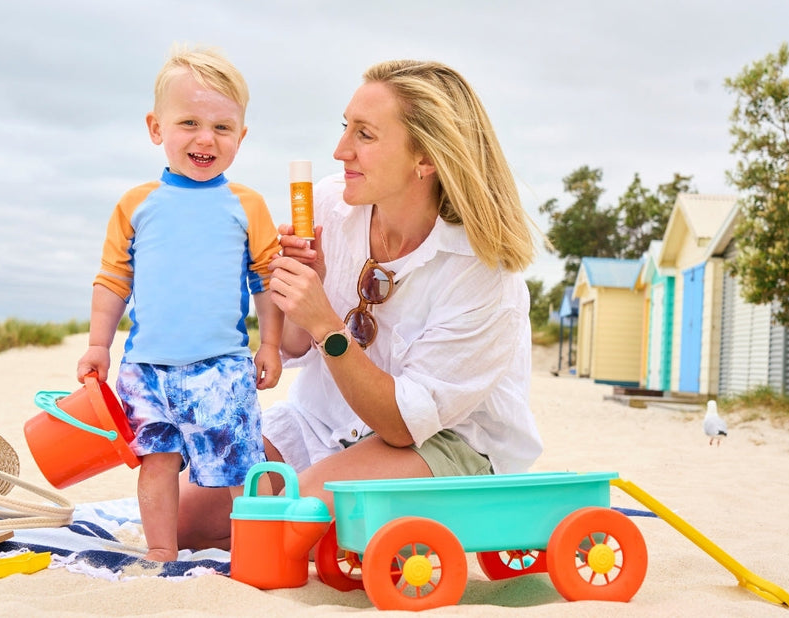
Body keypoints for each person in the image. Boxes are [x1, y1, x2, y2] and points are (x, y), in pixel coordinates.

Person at [176, 59, 543, 551]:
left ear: (426, 158)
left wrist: (326, 321)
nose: (340, 149)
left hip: (439, 443)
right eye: (345, 127)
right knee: (182, 517)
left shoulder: (484, 275)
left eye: (365, 134)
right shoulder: (332, 203)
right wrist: (298, 292)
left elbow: (400, 424)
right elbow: (294, 348)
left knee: (280, 524)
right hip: (324, 420)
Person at [76, 45, 282, 562]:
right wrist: (98, 344)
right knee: (156, 461)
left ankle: (258, 551)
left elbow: (266, 280)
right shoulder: (136, 204)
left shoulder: (247, 204)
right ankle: (161, 553)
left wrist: (272, 344)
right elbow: (113, 279)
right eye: (188, 122)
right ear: (155, 128)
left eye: (222, 127)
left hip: (223, 365)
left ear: (241, 136)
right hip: (146, 367)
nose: (205, 138)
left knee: (240, 460)